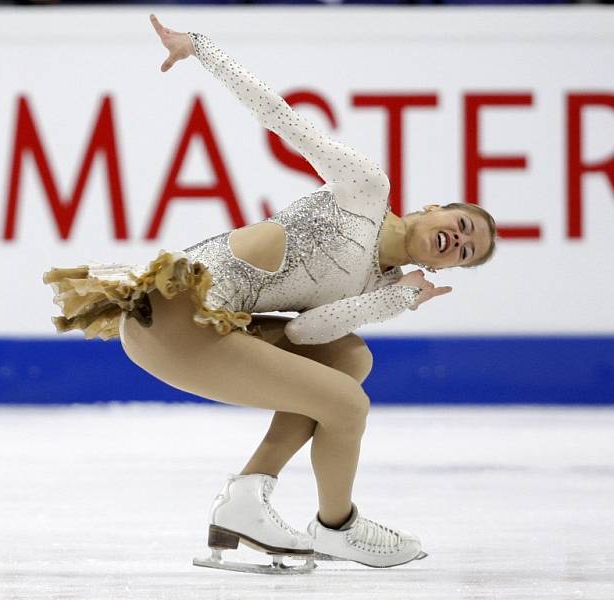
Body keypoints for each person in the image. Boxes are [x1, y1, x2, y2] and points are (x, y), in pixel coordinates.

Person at [44, 15, 497, 574]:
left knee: (349, 358)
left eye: (466, 253)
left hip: (209, 329)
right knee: (346, 403)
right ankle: (339, 526)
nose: (460, 242)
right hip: (173, 315)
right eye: (463, 226)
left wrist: (395, 299)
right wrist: (202, 49)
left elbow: (307, 334)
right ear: (435, 208)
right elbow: (281, 118)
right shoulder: (365, 188)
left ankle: (247, 496)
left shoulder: (377, 283)